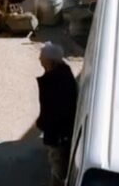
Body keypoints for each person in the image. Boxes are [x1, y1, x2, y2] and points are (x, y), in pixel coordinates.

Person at [36, 42, 78, 186]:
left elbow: (54, 110)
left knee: (58, 165)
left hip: (58, 135)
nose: (39, 59)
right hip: (60, 133)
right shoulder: (62, 73)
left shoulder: (55, 81)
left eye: (41, 57)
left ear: (50, 61)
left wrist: (42, 123)